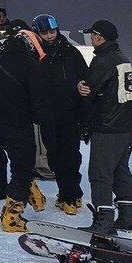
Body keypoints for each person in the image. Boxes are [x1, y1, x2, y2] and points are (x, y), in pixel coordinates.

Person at [0, 17, 53, 233]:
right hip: (18, 125)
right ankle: (11, 217)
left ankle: (33, 194)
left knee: (18, 162)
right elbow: (40, 100)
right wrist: (46, 124)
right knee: (22, 168)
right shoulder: (29, 65)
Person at [76, 20, 132, 235]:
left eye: (92, 35)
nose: (91, 39)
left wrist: (79, 85)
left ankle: (103, 223)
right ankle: (130, 219)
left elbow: (88, 89)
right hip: (126, 125)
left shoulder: (103, 60)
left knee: (99, 174)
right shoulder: (122, 57)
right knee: (120, 170)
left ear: (99, 37)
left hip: (108, 125)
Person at [29, 13, 87, 215]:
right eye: (45, 32)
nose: (50, 35)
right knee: (53, 157)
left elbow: (84, 78)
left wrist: (84, 109)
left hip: (71, 115)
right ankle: (67, 193)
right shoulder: (33, 56)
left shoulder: (71, 52)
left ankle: (71, 196)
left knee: (70, 157)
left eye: (52, 31)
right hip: (47, 117)